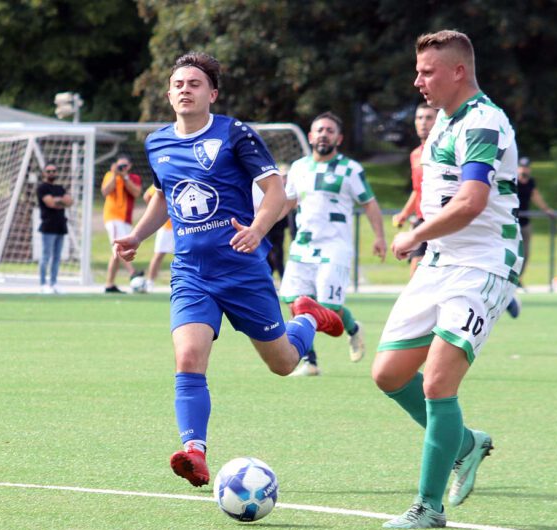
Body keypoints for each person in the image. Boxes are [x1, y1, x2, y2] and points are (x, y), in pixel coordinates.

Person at [113, 52, 344, 488]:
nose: (185, 89)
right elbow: (163, 197)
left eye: (195, 83)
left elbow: (274, 189)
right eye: (178, 83)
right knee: (188, 356)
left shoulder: (234, 133)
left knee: (282, 363)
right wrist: (136, 237)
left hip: (242, 270)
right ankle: (194, 451)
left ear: (212, 94)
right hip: (191, 272)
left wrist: (258, 230)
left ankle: (310, 316)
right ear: (168, 93)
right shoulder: (157, 142)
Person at [372, 30, 523, 530]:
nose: (418, 80)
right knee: (389, 374)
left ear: (458, 71)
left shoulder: (483, 122)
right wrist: (424, 235)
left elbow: (472, 202)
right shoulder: (443, 122)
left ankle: (428, 507)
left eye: (428, 71)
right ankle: (466, 443)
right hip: (440, 261)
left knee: (438, 383)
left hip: (482, 263)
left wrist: (413, 234)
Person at [279, 111, 387, 376]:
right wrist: (260, 226)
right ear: (310, 136)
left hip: (334, 248)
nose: (324, 134)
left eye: (329, 130)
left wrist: (380, 237)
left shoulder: (351, 169)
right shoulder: (299, 168)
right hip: (303, 246)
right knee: (296, 303)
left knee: (329, 310)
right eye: (319, 130)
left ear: (338, 138)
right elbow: (288, 202)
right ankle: (310, 361)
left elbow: (369, 203)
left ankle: (353, 328)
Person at [392, 103, 438, 278]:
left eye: (428, 118)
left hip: (441, 218)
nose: (423, 122)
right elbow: (417, 190)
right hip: (422, 219)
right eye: (419, 118)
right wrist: (404, 214)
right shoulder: (415, 155)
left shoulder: (444, 150)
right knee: (417, 272)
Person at [101, 154, 143, 293]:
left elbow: (136, 193)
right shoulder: (110, 175)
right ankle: (133, 273)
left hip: (126, 219)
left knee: (116, 252)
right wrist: (115, 174)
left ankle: (109, 284)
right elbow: (105, 191)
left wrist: (125, 177)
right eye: (120, 166)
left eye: (124, 166)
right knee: (119, 247)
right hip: (113, 217)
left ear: (129, 166)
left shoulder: (133, 178)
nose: (122, 168)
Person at [515, 157, 554, 284]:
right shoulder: (513, 180)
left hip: (525, 222)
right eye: (522, 167)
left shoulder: (531, 182)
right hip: (512, 220)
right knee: (513, 251)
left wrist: (546, 209)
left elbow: (535, 196)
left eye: (526, 167)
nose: (524, 169)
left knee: (525, 253)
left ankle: (518, 278)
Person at [36, 163, 73, 294]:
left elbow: (69, 201)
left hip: (60, 226)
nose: (51, 173)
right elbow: (50, 203)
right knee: (46, 256)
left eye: (54, 171)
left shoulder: (59, 188)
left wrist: (59, 201)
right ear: (44, 173)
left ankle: (54, 282)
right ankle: (43, 283)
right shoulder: (42, 188)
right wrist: (59, 201)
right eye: (49, 171)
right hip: (48, 226)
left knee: (57, 257)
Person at [143, 185, 174, 291]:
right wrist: (156, 212)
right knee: (159, 254)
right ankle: (150, 281)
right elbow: (147, 195)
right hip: (166, 226)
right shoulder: (165, 176)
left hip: (181, 226)